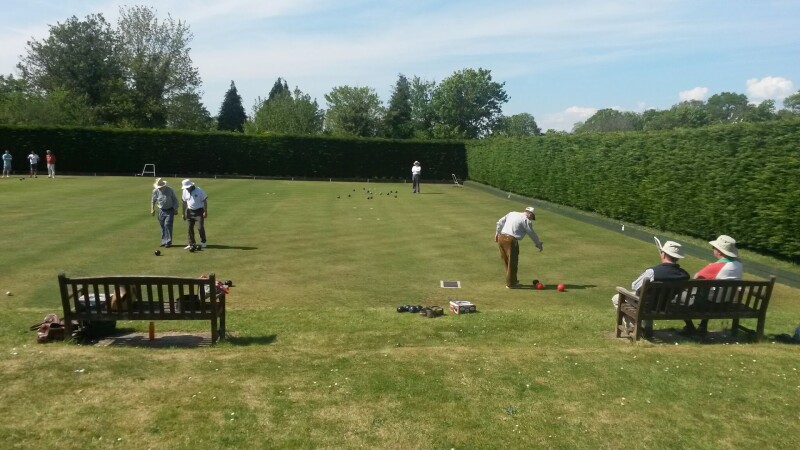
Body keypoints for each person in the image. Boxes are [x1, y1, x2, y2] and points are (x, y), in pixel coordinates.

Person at [612, 240, 690, 335]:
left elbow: (635, 285)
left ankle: (634, 327)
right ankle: (647, 327)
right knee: (649, 299)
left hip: (646, 305)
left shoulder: (652, 272)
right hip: (666, 306)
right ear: (677, 258)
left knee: (617, 298)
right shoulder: (685, 275)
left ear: (663, 254)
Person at [681, 235, 743, 335]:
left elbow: (695, 279)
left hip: (709, 305)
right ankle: (702, 326)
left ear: (720, 251)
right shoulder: (739, 265)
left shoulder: (716, 266)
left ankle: (690, 327)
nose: (713, 248)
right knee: (711, 293)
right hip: (726, 304)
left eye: (714, 247)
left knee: (681, 296)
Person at [495, 206, 543, 288]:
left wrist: (497, 233)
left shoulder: (512, 213)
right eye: (532, 217)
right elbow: (531, 233)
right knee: (512, 262)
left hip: (501, 238)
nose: (531, 219)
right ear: (530, 214)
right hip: (511, 240)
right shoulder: (526, 220)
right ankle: (511, 284)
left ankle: (512, 281)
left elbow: (499, 222)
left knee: (506, 261)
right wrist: (538, 244)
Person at [150, 178, 179, 248]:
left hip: (170, 210)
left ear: (164, 186)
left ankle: (168, 242)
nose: (159, 188)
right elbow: (153, 200)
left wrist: (175, 209)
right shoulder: (155, 191)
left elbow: (175, 200)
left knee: (167, 224)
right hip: (161, 210)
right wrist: (152, 209)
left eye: (160, 187)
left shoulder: (170, 190)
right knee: (162, 226)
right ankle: (163, 241)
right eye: (158, 187)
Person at [181, 179, 208, 249]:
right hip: (189, 211)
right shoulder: (184, 191)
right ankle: (191, 243)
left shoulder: (199, 190)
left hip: (199, 211)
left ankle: (203, 242)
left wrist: (205, 211)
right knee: (189, 228)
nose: (186, 189)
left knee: (200, 227)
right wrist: (183, 213)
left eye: (187, 187)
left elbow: (204, 200)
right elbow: (184, 202)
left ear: (191, 185)